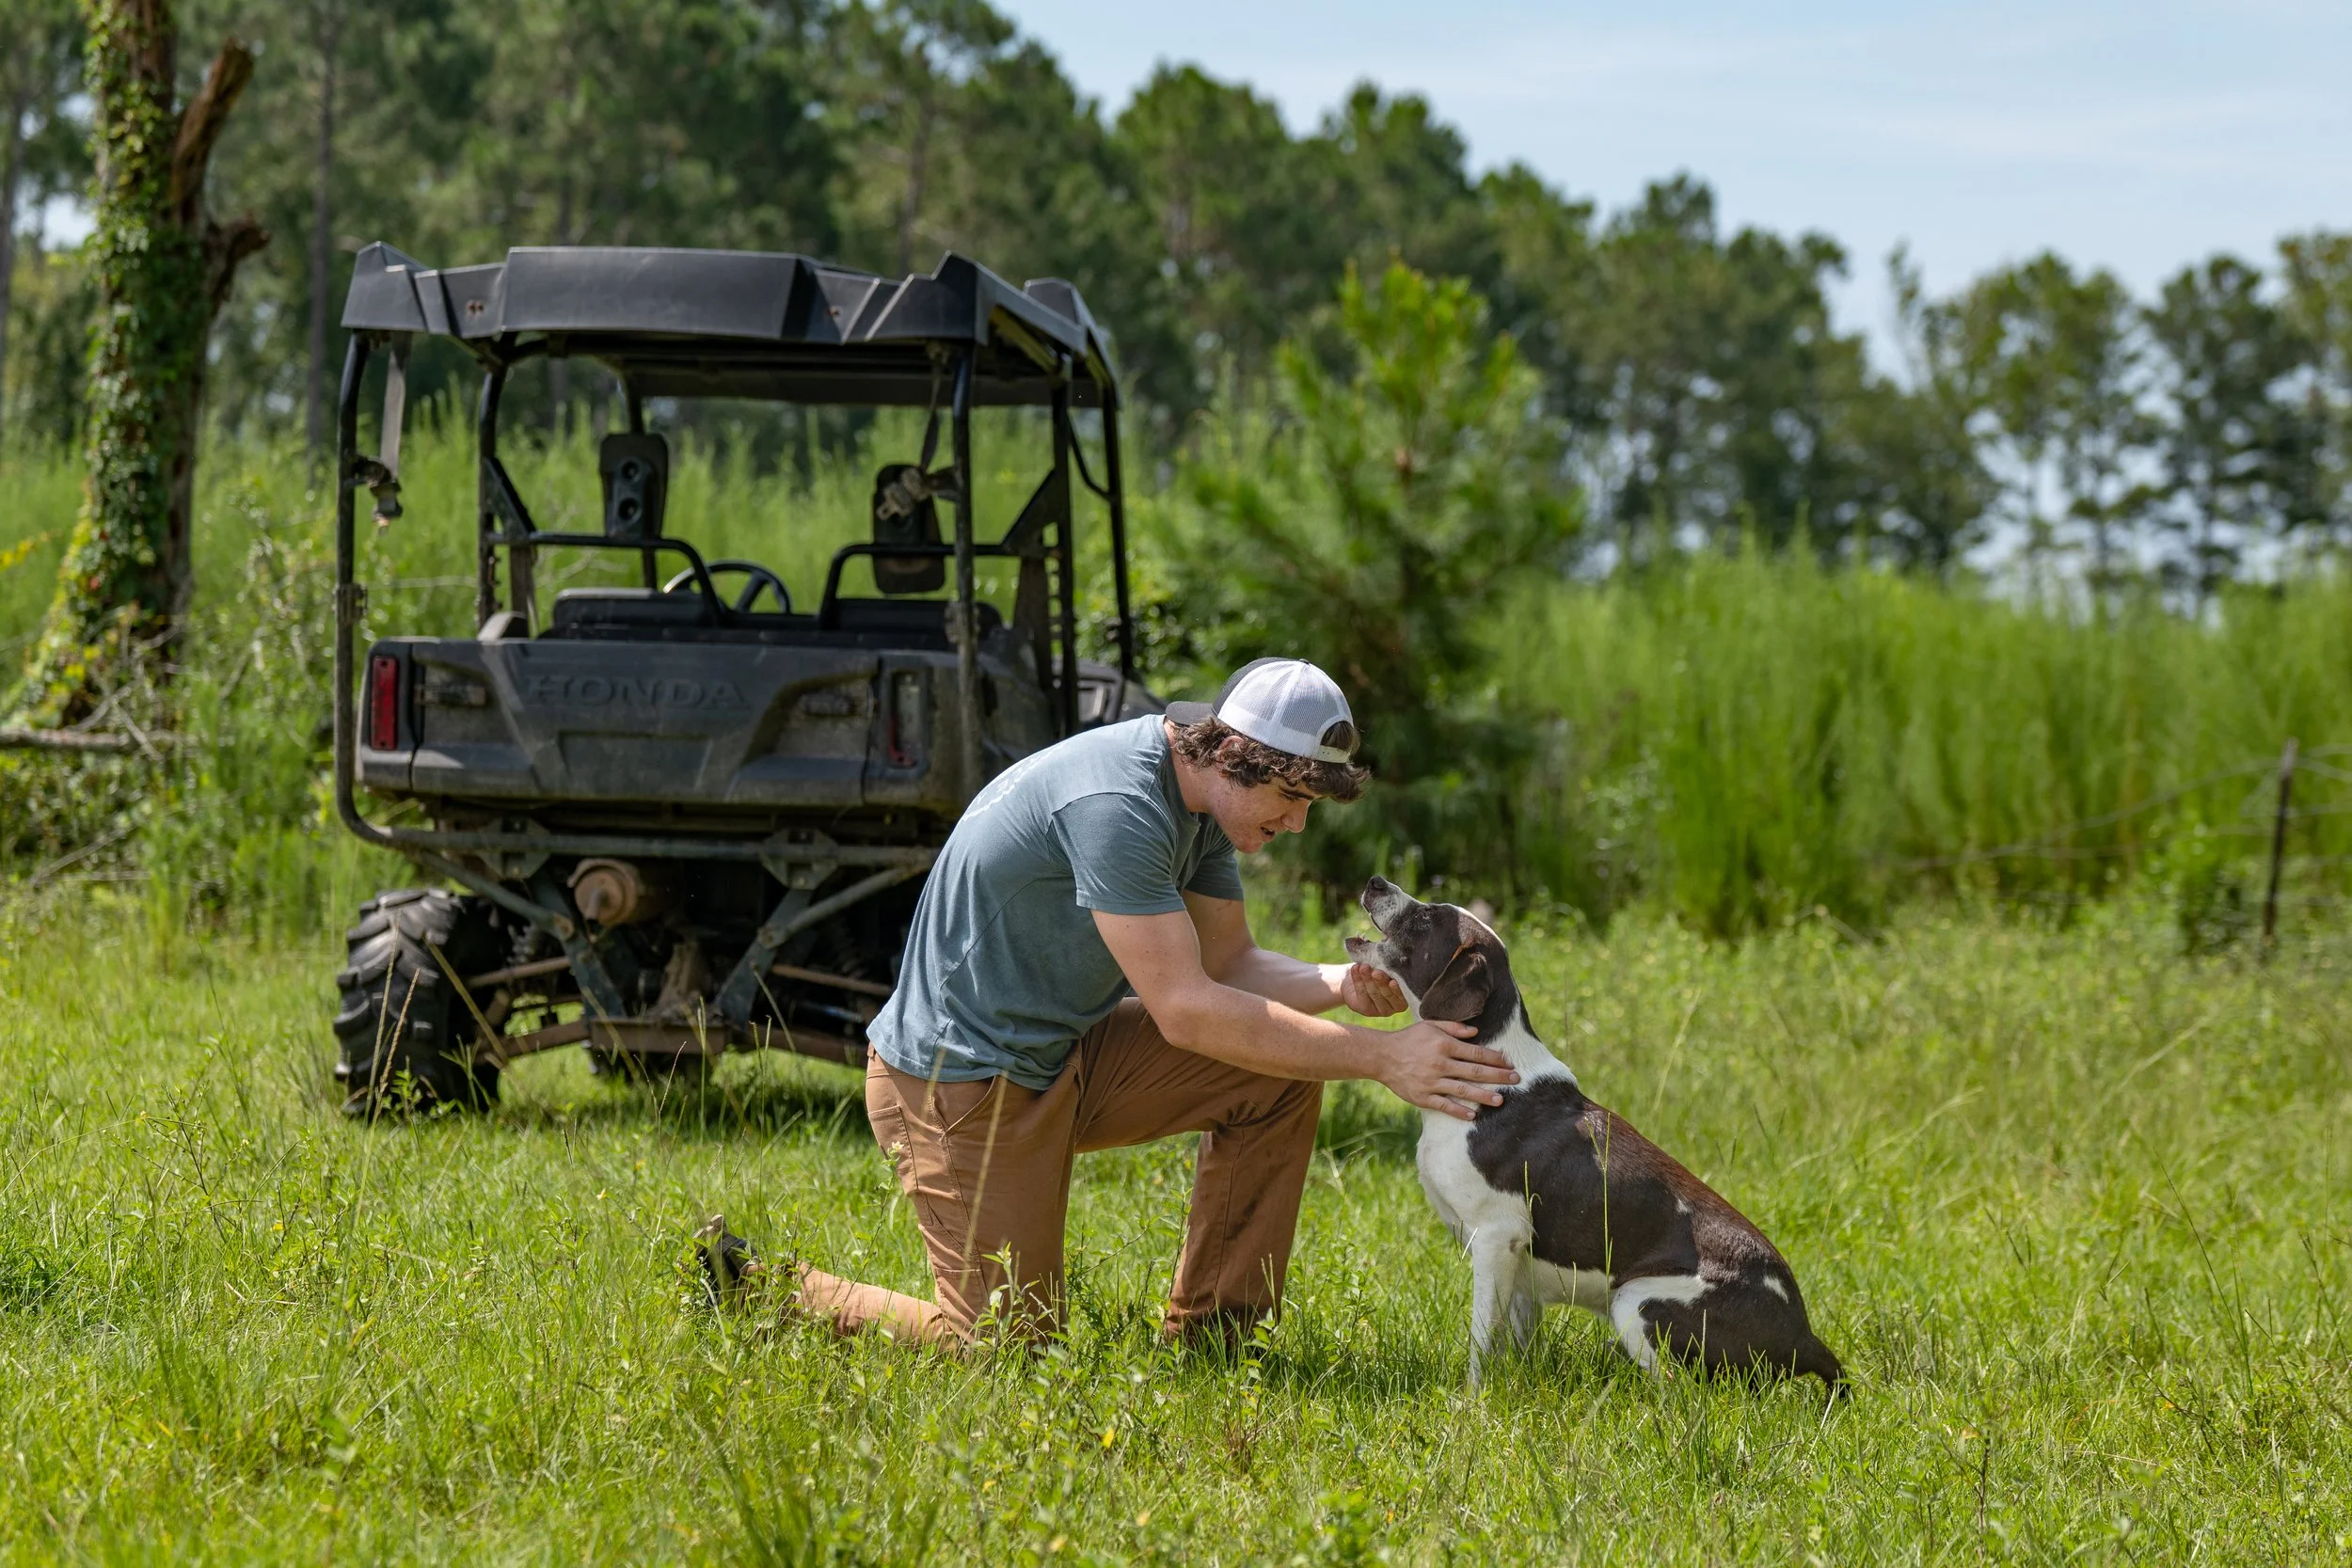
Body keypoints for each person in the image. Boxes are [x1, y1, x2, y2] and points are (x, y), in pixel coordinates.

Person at [703, 657, 1519, 1347]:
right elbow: (1186, 1010)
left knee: (1277, 1072)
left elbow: (1229, 964)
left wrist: (1337, 985)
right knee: (1005, 1350)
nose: (1299, 823)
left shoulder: (1202, 804)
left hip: (1058, 1054)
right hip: (956, 1084)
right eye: (1293, 796)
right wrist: (1382, 1057)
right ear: (1235, 754)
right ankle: (761, 1285)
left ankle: (1213, 1343)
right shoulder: (1119, 806)